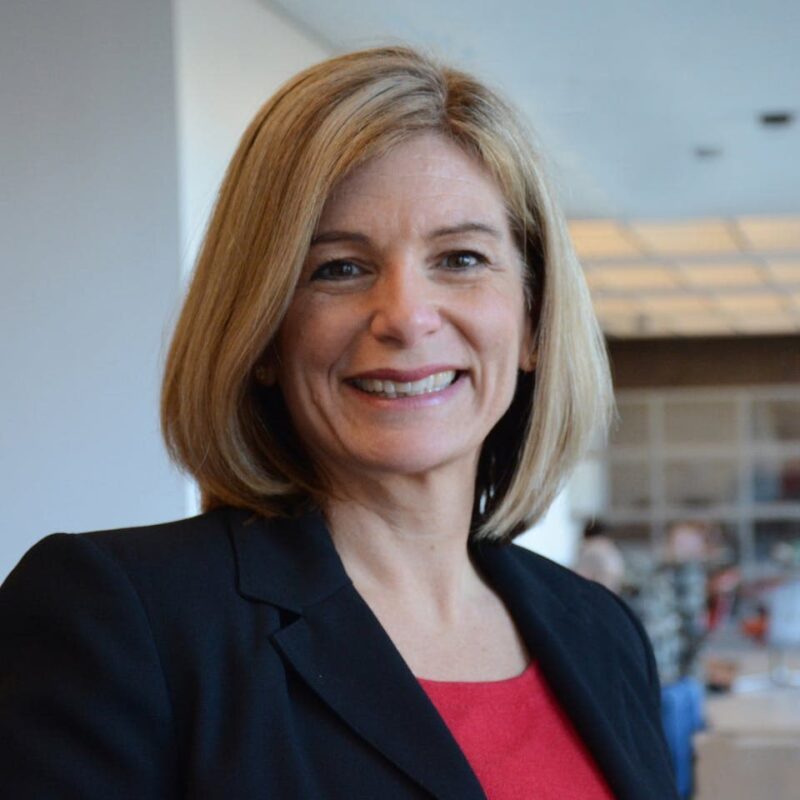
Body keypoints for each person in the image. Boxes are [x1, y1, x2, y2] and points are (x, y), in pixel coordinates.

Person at [0, 47, 677, 799]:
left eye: (460, 259)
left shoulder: (602, 632)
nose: (406, 317)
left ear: (532, 322)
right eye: (339, 268)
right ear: (262, 332)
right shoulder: (121, 620)